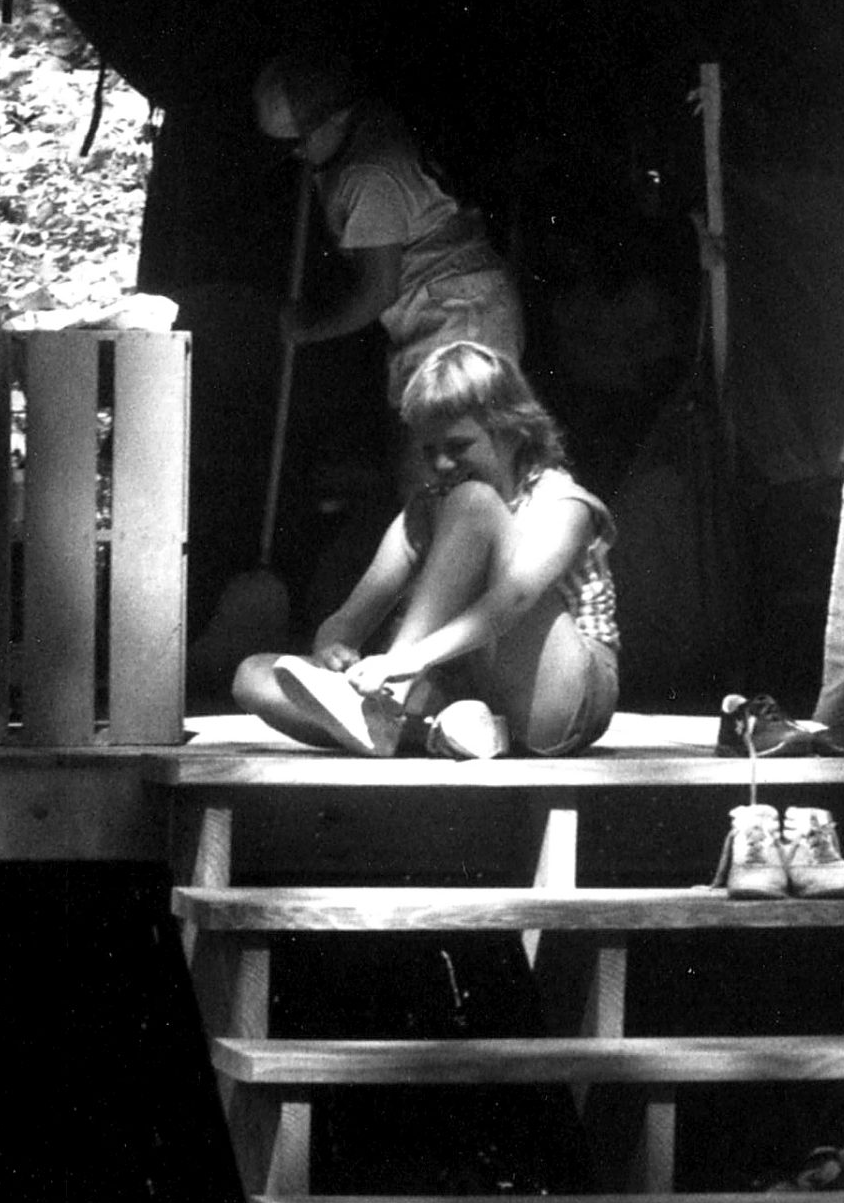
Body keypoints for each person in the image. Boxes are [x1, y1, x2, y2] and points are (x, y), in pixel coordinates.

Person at [233, 342, 619, 758]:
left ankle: (393, 707)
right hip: (468, 683)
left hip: (561, 698)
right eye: (430, 450)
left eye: (458, 446)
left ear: (512, 429)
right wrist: (334, 648)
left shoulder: (562, 502)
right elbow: (349, 618)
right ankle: (461, 732)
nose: (442, 465)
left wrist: (404, 663)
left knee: (474, 502)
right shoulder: (428, 508)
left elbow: (514, 599)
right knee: (255, 676)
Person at [252, 51, 523, 402]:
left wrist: (308, 327)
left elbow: (378, 291)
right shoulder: (363, 124)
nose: (297, 154)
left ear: (337, 116)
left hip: (457, 317)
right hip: (450, 303)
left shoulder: (368, 175)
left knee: (445, 435)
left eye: (300, 140)